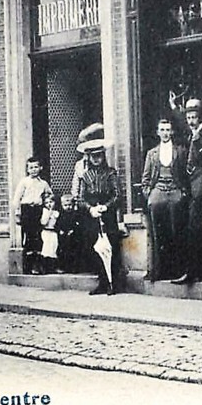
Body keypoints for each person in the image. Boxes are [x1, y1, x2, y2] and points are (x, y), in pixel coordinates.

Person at [73, 123, 122, 295]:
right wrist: (89, 209)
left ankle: (113, 283)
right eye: (93, 157)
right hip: (92, 215)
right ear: (89, 157)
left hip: (107, 215)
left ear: (103, 156)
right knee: (94, 247)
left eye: (99, 156)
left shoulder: (111, 173)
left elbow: (117, 195)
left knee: (112, 247)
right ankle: (102, 281)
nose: (96, 159)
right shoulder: (85, 176)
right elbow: (80, 198)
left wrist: (106, 207)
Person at [141, 118, 188, 282]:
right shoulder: (151, 153)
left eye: (168, 130)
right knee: (158, 233)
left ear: (172, 132)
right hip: (158, 192)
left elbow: (185, 173)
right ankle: (160, 271)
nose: (166, 133)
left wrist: (183, 193)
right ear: (158, 132)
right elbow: (145, 178)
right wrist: (149, 194)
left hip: (175, 190)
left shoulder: (180, 151)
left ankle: (177, 270)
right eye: (162, 130)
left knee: (177, 231)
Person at [173, 98, 202, 285]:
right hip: (191, 186)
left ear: (200, 117)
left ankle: (196, 272)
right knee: (191, 228)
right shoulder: (192, 133)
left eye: (194, 117)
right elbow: (181, 125)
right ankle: (194, 271)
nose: (190, 121)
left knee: (195, 229)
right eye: (188, 117)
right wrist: (174, 108)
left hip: (200, 186)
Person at [12, 156, 54, 275]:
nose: (34, 170)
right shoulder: (24, 182)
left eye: (36, 167)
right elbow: (17, 199)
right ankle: (29, 266)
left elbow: (50, 195)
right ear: (27, 169)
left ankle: (39, 264)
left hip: (38, 210)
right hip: (27, 211)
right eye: (31, 167)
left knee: (39, 236)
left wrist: (47, 203)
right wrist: (18, 213)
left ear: (40, 168)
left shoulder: (43, 183)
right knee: (29, 237)